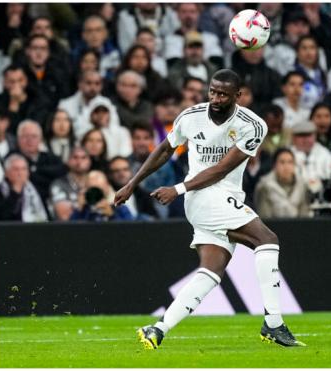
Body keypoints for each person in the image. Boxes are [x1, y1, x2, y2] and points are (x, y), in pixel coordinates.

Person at [114, 69, 305, 349]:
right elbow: (166, 149)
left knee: (211, 271)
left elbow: (222, 168)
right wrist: (132, 183)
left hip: (219, 194)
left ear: (237, 96)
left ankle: (158, 328)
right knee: (267, 240)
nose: (215, 98)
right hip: (202, 198)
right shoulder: (191, 117)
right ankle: (273, 323)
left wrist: (178, 188)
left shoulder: (252, 125)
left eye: (223, 94)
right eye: (212, 91)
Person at [254, 148, 310, 219]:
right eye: (282, 162)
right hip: (273, 228)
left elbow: (304, 216)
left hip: (298, 228)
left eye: (290, 162)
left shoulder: (302, 185)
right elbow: (264, 218)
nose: (286, 167)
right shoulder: (264, 186)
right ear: (274, 165)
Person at [0, 153, 49, 222]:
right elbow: (1, 216)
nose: (20, 173)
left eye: (24, 169)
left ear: (28, 173)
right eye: (16, 169)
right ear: (6, 173)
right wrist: (15, 191)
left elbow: (45, 215)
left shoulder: (35, 189)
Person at [49, 146, 91, 221]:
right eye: (75, 157)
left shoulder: (96, 181)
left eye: (83, 158)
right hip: (67, 230)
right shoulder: (58, 184)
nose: (79, 161)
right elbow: (64, 216)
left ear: (89, 161)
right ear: (68, 161)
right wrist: (81, 204)